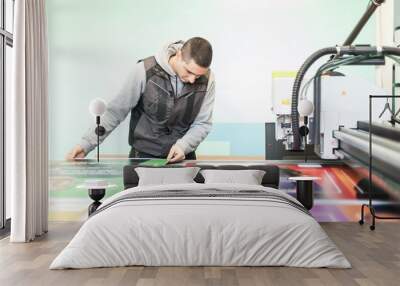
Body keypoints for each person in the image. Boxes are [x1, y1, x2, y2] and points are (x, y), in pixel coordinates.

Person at [66, 37, 215, 163]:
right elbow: (115, 112)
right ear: (179, 54)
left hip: (184, 158)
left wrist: (184, 146)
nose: (191, 80)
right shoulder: (143, 70)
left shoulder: (208, 79)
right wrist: (86, 144)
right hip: (142, 158)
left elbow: (202, 123)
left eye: (197, 76)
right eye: (189, 71)